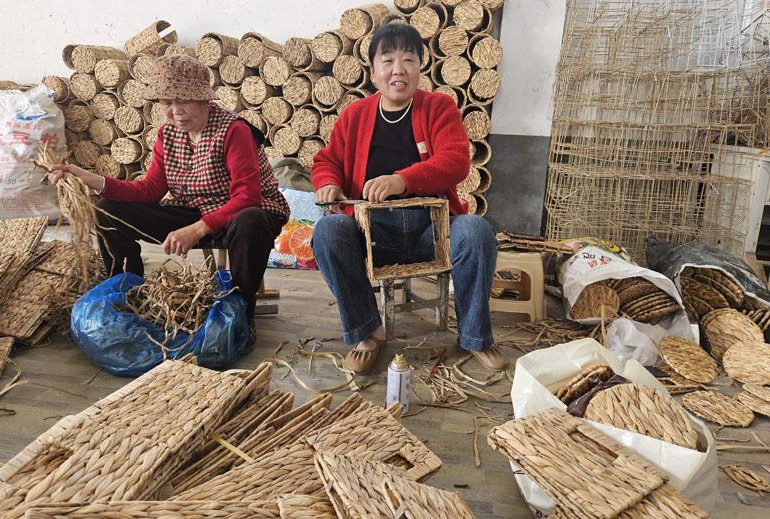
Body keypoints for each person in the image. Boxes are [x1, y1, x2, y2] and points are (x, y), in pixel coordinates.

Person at [48, 54, 289, 343]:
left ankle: (238, 313)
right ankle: (128, 293)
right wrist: (94, 180)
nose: (176, 111)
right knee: (107, 210)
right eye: (166, 102)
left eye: (183, 101)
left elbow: (247, 197)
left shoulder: (234, 131)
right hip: (192, 210)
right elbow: (150, 189)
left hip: (244, 214)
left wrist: (197, 229)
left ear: (203, 100)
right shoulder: (168, 134)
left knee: (250, 220)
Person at [311, 24, 504, 374]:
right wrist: (327, 183)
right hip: (373, 235)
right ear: (373, 71)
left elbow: (456, 160)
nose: (398, 69)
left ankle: (476, 337)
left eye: (408, 59)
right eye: (387, 60)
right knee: (328, 231)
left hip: (430, 230)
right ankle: (367, 332)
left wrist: (402, 180)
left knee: (475, 230)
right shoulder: (355, 115)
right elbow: (328, 160)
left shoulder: (438, 107)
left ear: (420, 68)